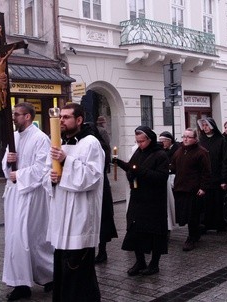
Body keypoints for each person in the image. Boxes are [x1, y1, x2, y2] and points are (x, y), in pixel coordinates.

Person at [48, 103, 104, 301]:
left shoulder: (90, 143)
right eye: (60, 117)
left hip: (80, 215)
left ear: (79, 120)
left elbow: (92, 176)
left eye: (66, 117)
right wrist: (52, 179)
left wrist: (66, 161)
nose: (61, 121)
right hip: (61, 214)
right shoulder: (60, 142)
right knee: (63, 268)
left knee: (77, 269)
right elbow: (52, 174)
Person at [1, 102, 54, 301]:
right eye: (14, 114)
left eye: (17, 114)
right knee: (15, 240)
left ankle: (50, 275)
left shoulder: (41, 139)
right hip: (15, 195)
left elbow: (43, 168)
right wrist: (8, 162)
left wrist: (19, 175)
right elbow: (6, 165)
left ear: (28, 117)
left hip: (32, 196)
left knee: (33, 240)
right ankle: (20, 284)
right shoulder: (13, 137)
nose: (14, 117)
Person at [114, 126, 168, 275]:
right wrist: (120, 164)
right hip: (138, 198)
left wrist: (140, 172)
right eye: (137, 141)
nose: (139, 144)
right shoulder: (138, 152)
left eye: (142, 141)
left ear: (150, 139)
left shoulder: (160, 155)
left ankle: (154, 264)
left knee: (154, 233)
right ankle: (140, 261)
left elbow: (161, 177)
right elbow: (132, 168)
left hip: (154, 201)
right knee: (135, 230)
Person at [170, 128, 211, 251]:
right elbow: (174, 166)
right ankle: (196, 233)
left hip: (194, 189)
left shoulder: (201, 152)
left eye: (188, 137)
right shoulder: (179, 151)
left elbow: (206, 172)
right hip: (181, 188)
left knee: (193, 215)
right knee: (185, 214)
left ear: (195, 139)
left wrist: (203, 187)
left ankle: (192, 237)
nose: (185, 139)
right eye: (184, 137)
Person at [89, 120, 118, 265]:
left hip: (101, 186)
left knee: (102, 218)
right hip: (97, 186)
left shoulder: (99, 146)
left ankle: (102, 250)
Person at [197, 118, 227, 232]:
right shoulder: (201, 140)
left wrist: (223, 178)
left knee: (217, 201)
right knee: (205, 202)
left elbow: (224, 159)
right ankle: (205, 223)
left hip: (216, 175)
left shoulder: (221, 140)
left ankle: (219, 223)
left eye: (207, 125)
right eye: (203, 125)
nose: (205, 127)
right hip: (204, 176)